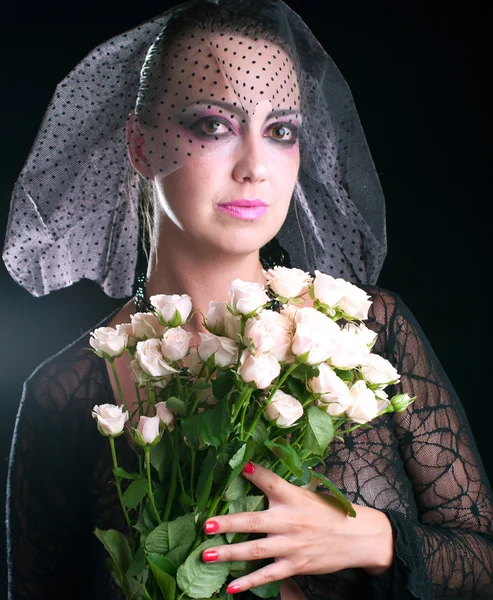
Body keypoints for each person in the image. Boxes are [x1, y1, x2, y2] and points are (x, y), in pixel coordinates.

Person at [3, 1, 492, 599]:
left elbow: (482, 557)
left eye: (281, 131)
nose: (256, 166)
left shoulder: (373, 332)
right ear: (140, 146)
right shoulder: (66, 394)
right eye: (214, 125)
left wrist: (371, 539)